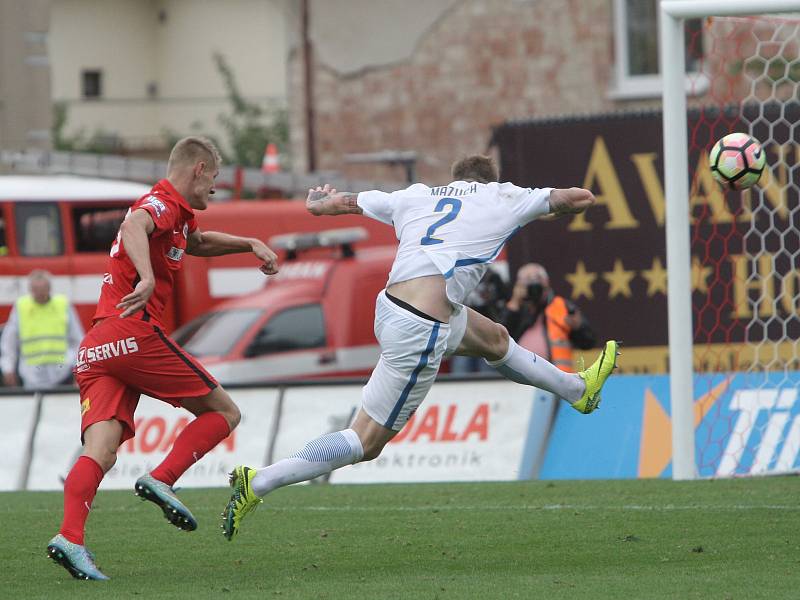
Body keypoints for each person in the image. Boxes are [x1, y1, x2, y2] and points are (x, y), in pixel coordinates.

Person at [221, 154, 620, 541]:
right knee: (366, 441)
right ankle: (259, 481)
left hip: (397, 306)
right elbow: (577, 198)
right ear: (490, 179)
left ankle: (577, 390)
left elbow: (348, 201)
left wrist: (320, 205)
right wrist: (562, 203)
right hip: (421, 326)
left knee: (494, 338)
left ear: (455, 178)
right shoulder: (503, 196)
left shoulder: (416, 195)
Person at [46, 136, 279, 581]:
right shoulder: (160, 203)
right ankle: (162, 477)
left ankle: (70, 538)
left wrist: (249, 242)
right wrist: (148, 278)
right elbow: (135, 224)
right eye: (213, 177)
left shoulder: (176, 218)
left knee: (102, 450)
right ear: (198, 169)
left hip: (97, 346)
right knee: (224, 412)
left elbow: (199, 242)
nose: (215, 186)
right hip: (131, 332)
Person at [501, 263, 596, 373]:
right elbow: (499, 339)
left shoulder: (562, 306)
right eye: (527, 280)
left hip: (558, 379)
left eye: (537, 279)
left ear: (546, 282)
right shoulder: (516, 309)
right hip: (521, 380)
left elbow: (589, 343)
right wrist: (515, 303)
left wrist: (578, 327)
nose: (533, 285)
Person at [1, 270, 84, 389]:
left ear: (49, 288)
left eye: (42, 288)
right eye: (36, 289)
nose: (39, 292)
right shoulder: (21, 307)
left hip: (61, 374)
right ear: (30, 289)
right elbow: (9, 342)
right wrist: (7, 368)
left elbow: (77, 340)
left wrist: (78, 368)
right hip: (31, 376)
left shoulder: (63, 305)